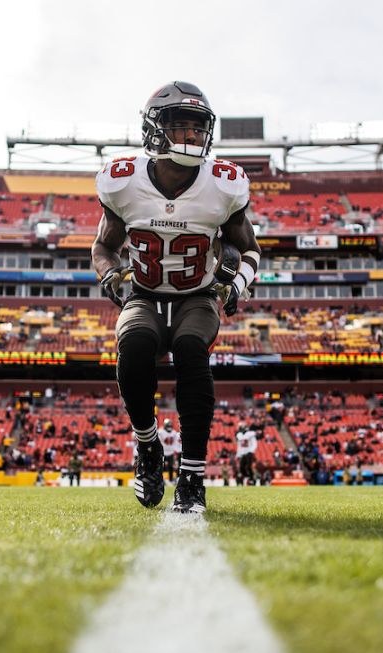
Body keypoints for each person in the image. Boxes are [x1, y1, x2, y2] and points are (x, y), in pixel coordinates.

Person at [92, 81, 257, 514]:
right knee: (135, 344)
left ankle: (193, 476)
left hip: (196, 296)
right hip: (144, 294)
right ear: (154, 129)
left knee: (190, 350)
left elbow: (251, 249)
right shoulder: (122, 182)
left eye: (198, 128)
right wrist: (109, 273)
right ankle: (148, 447)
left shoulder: (224, 184)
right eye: (180, 126)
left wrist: (235, 284)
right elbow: (103, 247)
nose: (192, 136)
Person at [159, 418, 181, 484]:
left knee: (171, 466)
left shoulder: (174, 433)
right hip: (163, 452)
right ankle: (161, 479)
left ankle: (171, 480)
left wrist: (174, 450)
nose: (169, 427)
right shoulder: (161, 432)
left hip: (171, 452)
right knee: (161, 467)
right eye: (168, 425)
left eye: (170, 425)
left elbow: (175, 443)